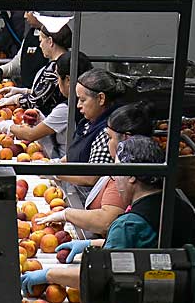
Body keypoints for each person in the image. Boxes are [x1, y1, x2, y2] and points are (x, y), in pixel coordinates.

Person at [20, 136, 195, 297]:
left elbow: (98, 277)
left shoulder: (129, 224)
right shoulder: (180, 206)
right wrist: (91, 244)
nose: (114, 178)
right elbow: (144, 249)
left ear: (131, 177)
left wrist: (49, 274)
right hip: (179, 297)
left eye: (116, 170)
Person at [34, 102, 154, 238]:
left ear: (126, 138)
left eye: (110, 138)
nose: (107, 143)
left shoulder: (125, 178)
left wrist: (67, 214)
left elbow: (105, 221)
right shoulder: (127, 169)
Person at [0, 16, 89, 119]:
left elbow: (36, 102)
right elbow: (46, 92)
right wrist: (23, 91)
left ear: (50, 41)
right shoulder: (67, 61)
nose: (40, 45)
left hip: (52, 123)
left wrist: (17, 99)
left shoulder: (56, 68)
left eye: (41, 41)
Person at [63, 68, 131, 187]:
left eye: (82, 100)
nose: (78, 105)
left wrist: (55, 173)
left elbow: (92, 178)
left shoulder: (108, 130)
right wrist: (52, 164)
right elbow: (73, 155)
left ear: (101, 98)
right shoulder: (88, 122)